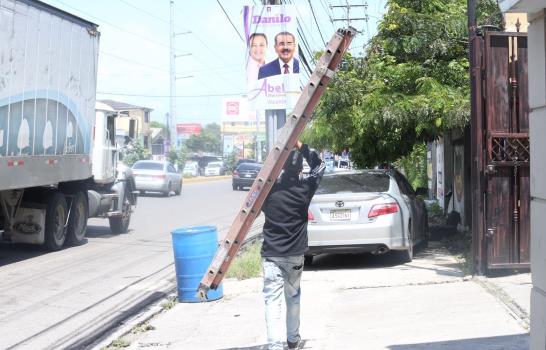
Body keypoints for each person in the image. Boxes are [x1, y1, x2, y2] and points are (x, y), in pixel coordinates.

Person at [260, 141, 325, 350]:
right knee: (293, 298)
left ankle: (274, 346)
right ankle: (293, 339)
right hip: (295, 255)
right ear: (299, 170)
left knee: (272, 301)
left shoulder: (267, 191)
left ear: (282, 167)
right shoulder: (305, 189)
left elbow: (260, 180)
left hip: (271, 254)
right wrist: (302, 146)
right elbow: (320, 167)